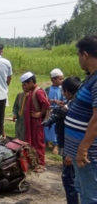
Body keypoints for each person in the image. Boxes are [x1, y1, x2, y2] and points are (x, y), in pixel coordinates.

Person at [64, 35, 97, 203]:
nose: (78, 59)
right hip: (79, 151)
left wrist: (83, 149)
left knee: (90, 196)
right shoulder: (91, 77)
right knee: (83, 191)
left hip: (89, 153)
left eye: (78, 55)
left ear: (85, 55)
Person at [47, 76, 80, 204]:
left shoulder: (73, 108)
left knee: (69, 179)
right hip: (70, 147)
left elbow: (75, 131)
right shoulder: (75, 104)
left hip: (71, 148)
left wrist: (70, 153)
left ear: (66, 92)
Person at [20, 72, 50, 173]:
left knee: (38, 142)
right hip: (31, 123)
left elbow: (46, 104)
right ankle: (34, 162)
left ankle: (41, 164)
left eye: (25, 84)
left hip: (36, 123)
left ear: (31, 82)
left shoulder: (38, 92)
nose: (24, 86)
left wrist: (40, 114)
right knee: (31, 142)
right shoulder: (32, 91)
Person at [45, 68, 65, 154]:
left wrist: (60, 103)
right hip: (49, 111)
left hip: (58, 112)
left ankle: (56, 145)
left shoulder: (62, 90)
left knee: (55, 128)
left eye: (62, 79)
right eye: (60, 79)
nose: (62, 81)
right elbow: (45, 100)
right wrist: (51, 102)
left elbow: (64, 101)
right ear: (53, 79)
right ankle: (47, 142)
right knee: (46, 127)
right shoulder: (47, 89)